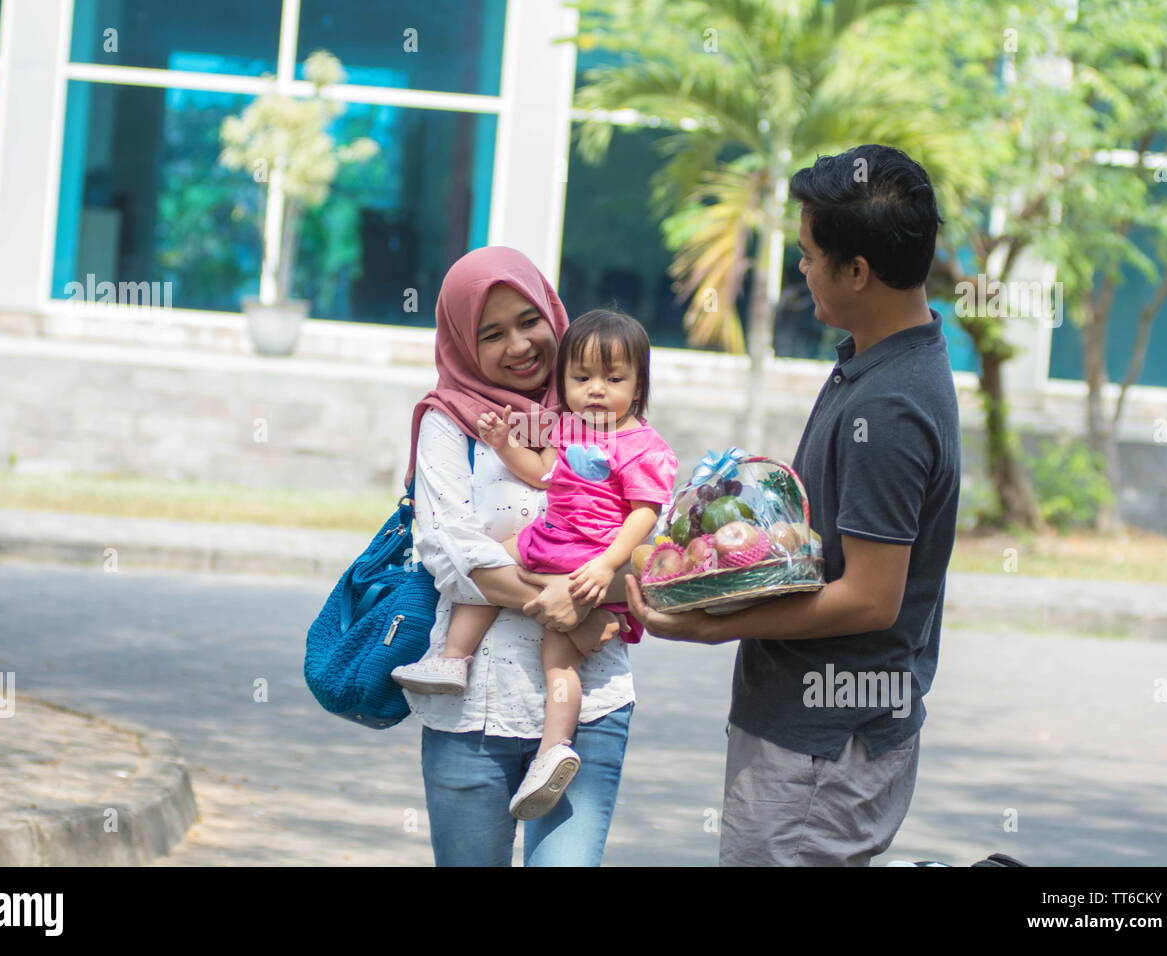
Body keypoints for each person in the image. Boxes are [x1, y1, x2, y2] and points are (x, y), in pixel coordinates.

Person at [624, 144, 961, 866]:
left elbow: (871, 600)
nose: (801, 268)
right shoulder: (877, 362)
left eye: (809, 254)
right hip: (814, 734)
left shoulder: (892, 405)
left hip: (821, 747)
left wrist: (715, 628)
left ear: (859, 271)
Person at [399, 246, 643, 866]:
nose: (519, 345)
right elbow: (450, 553)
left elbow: (645, 559)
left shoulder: (604, 414)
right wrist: (565, 598)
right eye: (491, 333)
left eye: (529, 320)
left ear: (553, 314)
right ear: (459, 340)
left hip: (589, 710)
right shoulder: (450, 423)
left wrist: (599, 584)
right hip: (471, 715)